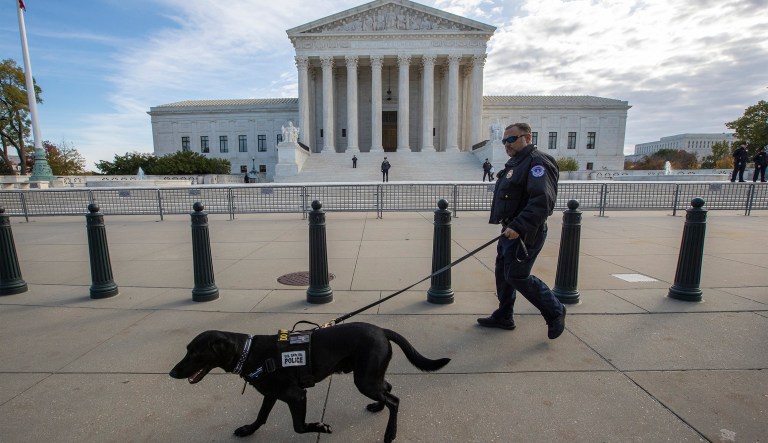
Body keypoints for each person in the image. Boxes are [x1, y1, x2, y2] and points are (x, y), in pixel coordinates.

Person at [477, 122, 566, 340]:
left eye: (512, 139)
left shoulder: (537, 162)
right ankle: (504, 315)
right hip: (510, 230)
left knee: (517, 276)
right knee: (503, 274)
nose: (507, 144)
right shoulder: (517, 162)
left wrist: (518, 226)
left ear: (527, 137)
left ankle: (555, 310)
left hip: (526, 232)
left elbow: (542, 201)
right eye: (504, 140)